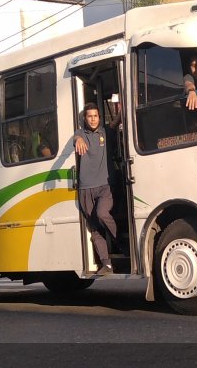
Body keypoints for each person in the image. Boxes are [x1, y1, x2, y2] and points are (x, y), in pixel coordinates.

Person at [74, 102, 118, 275]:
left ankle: (119, 244)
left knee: (102, 214)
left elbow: (116, 123)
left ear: (100, 118)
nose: (93, 119)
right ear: (85, 118)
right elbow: (75, 137)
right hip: (85, 188)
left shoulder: (106, 132)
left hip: (105, 186)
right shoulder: (80, 134)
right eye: (89, 116)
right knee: (94, 228)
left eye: (96, 116)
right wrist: (78, 139)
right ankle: (106, 264)